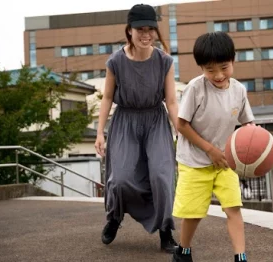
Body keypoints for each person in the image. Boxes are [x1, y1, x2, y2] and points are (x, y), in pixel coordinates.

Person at [94, 4, 178, 254]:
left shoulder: (164, 61)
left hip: (155, 121)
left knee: (162, 177)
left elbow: (171, 101)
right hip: (125, 122)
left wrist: (181, 129)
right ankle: (115, 216)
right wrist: (100, 132)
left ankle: (165, 230)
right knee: (119, 179)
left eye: (150, 29)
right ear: (129, 30)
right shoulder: (116, 61)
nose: (146, 34)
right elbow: (107, 98)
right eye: (139, 29)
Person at [171, 32, 255, 262]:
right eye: (210, 70)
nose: (218, 75)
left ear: (233, 60)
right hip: (194, 161)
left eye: (224, 67)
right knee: (194, 214)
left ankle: (241, 257)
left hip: (224, 161)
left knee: (233, 208)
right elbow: (182, 124)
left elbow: (249, 123)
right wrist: (210, 149)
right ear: (200, 68)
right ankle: (183, 250)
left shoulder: (239, 90)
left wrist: (257, 144)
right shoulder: (195, 89)